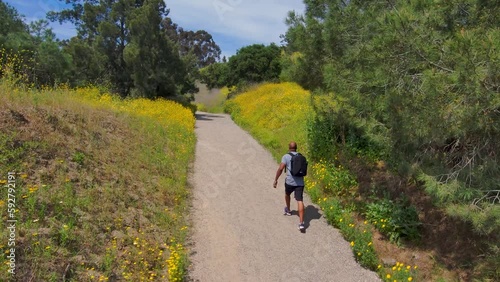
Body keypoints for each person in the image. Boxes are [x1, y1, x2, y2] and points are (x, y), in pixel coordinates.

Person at [273, 141, 305, 231]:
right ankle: (301, 223)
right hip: (300, 182)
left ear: (289, 148)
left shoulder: (286, 156)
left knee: (287, 194)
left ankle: (288, 210)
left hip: (290, 182)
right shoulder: (301, 156)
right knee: (300, 200)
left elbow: (281, 168)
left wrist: (276, 179)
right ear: (296, 148)